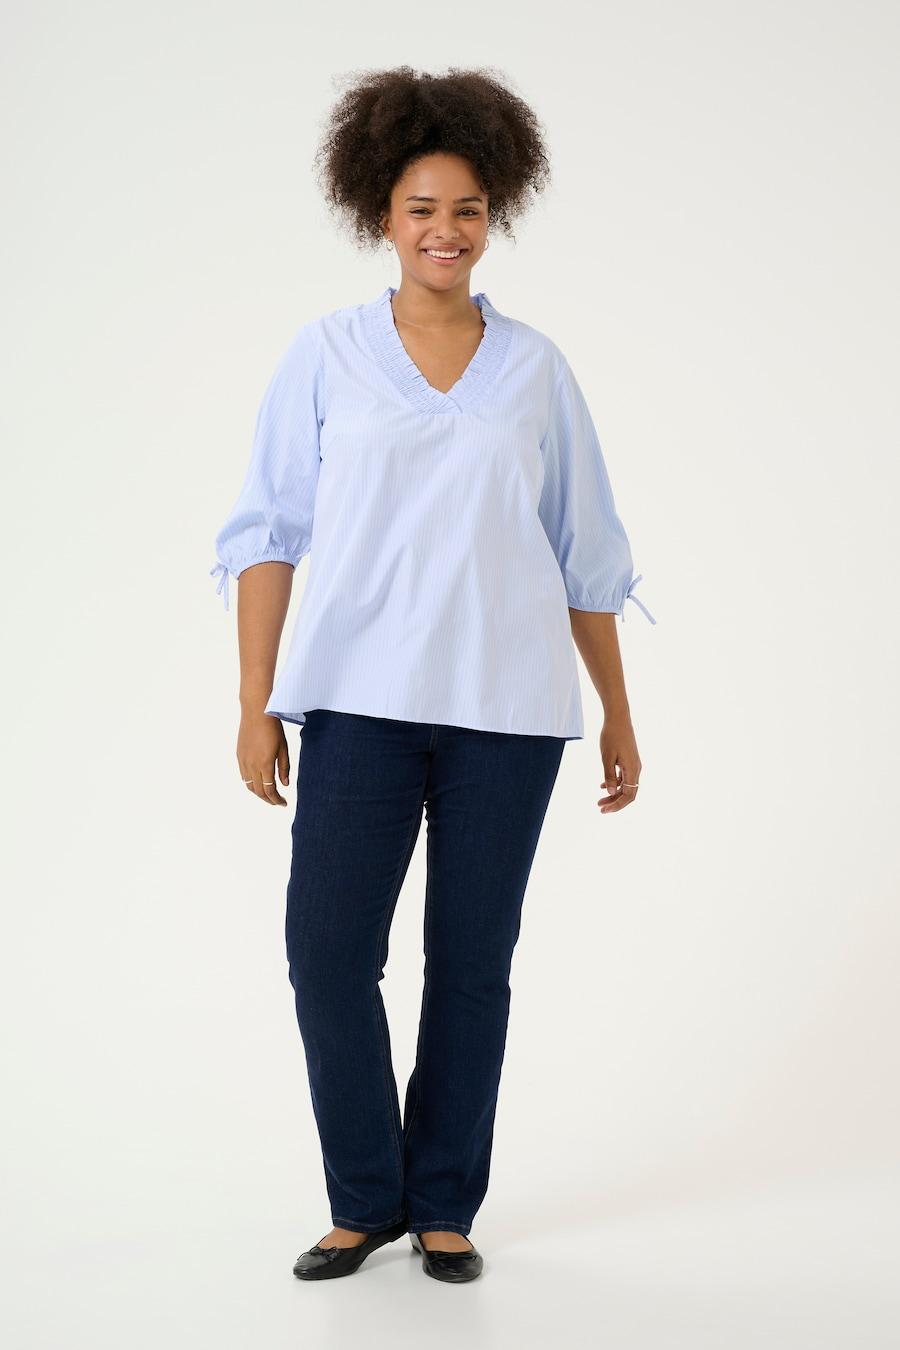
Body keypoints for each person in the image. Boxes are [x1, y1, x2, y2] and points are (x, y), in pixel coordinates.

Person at [209, 65, 656, 1285]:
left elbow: (583, 550)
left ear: (494, 211)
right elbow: (268, 534)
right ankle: (365, 1199)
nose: (445, 230)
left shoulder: (537, 370)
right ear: (380, 213)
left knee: (470, 965)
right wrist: (255, 705)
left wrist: (618, 708)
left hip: (508, 712)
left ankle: (445, 1203)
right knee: (327, 956)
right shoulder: (326, 355)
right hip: (357, 704)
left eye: (466, 209)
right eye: (421, 209)